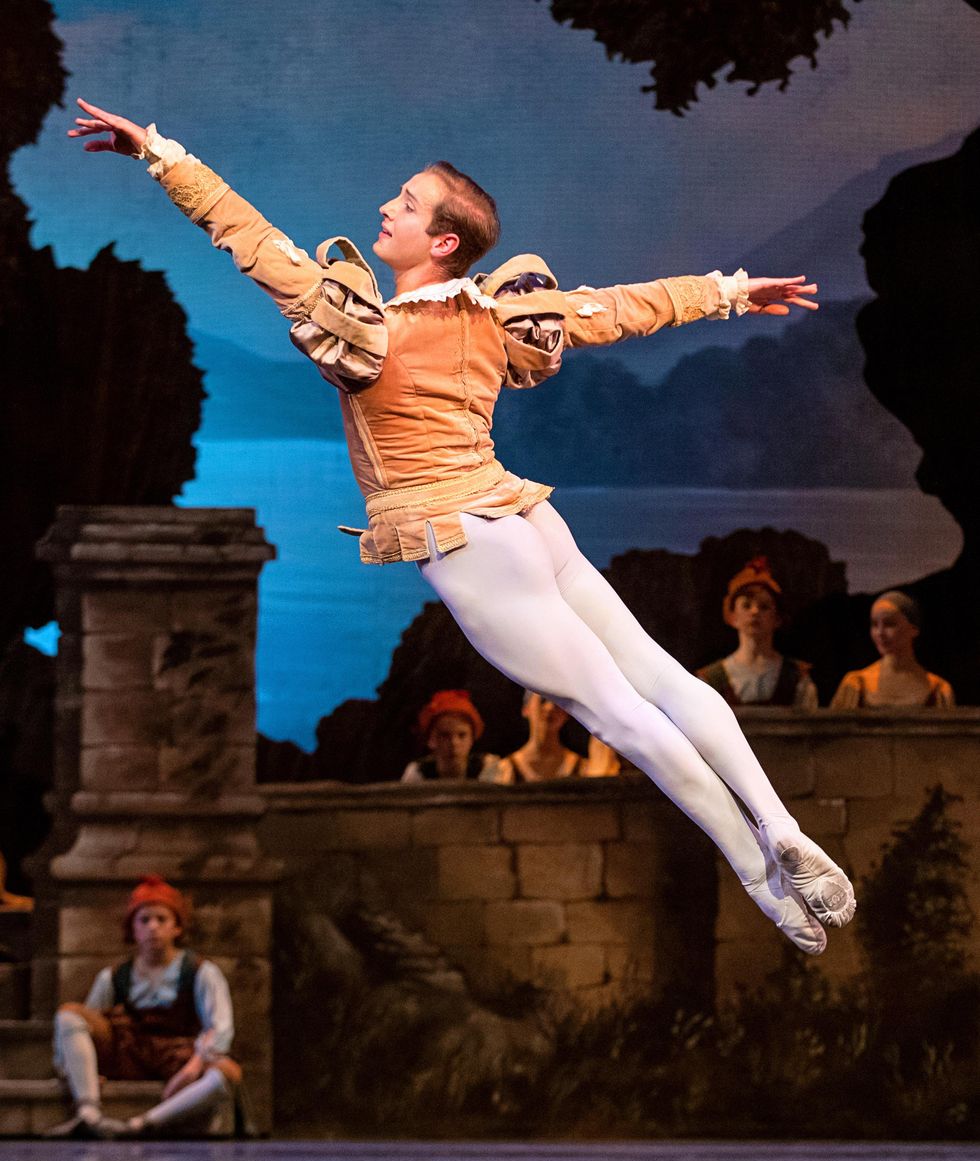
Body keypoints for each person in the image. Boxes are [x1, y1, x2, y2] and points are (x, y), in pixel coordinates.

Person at [67, 99, 855, 957]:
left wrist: (158, 152)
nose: (386, 209)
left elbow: (250, 239)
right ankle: (777, 817)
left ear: (441, 240)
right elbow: (619, 308)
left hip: (465, 536)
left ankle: (762, 872)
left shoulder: (372, 326)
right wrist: (734, 292)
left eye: (406, 203)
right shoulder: (493, 313)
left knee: (621, 713)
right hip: (529, 519)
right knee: (662, 679)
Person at [49, 874, 241, 1138]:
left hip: (174, 1055)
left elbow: (220, 1027)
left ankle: (141, 1124)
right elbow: (87, 1024)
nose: (153, 927)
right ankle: (89, 1114)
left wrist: (194, 1066)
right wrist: (77, 1069)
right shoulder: (116, 976)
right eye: (144, 920)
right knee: (69, 1015)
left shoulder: (199, 972)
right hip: (129, 1052)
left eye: (161, 920)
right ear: (133, 929)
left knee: (226, 1073)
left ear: (177, 927)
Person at [698, 557, 818, 710]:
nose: (754, 612)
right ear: (732, 616)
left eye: (764, 607)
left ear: (777, 618)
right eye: (746, 606)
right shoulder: (710, 679)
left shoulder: (797, 678)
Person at [831, 590, 954, 709]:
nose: (880, 633)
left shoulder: (938, 688)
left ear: (913, 628)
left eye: (890, 624)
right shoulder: (856, 683)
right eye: (874, 625)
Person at [400, 689, 499, 781]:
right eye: (445, 735)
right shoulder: (417, 772)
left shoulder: (487, 767)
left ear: (472, 739)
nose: (454, 743)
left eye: (462, 735)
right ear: (431, 739)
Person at [494, 690, 587, 782]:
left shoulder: (580, 767)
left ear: (567, 714)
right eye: (543, 700)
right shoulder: (506, 766)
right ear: (526, 709)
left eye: (558, 704)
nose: (550, 708)